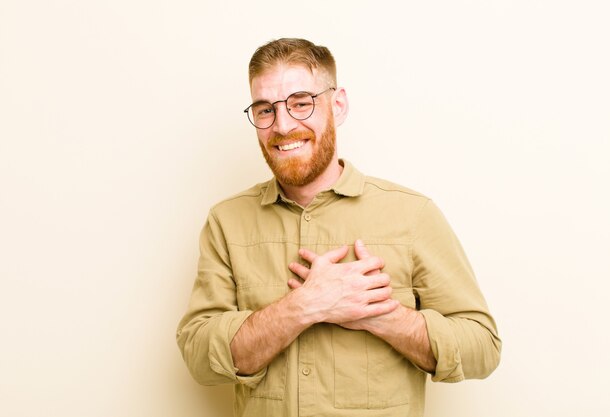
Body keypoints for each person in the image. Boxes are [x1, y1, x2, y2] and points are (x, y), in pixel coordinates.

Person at [176, 38, 501, 417]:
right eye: (265, 110)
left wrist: (383, 315)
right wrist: (301, 307)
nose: (282, 126)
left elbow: (483, 348)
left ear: (338, 104)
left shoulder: (413, 214)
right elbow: (198, 356)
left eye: (301, 103)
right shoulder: (225, 222)